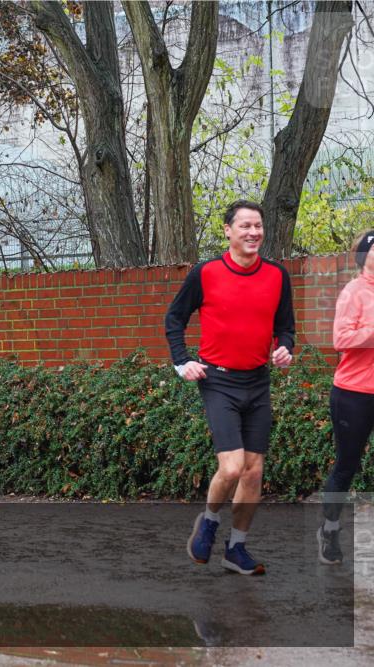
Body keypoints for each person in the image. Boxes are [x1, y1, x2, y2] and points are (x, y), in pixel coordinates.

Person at [165, 200, 295, 575]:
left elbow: (286, 326)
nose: (253, 233)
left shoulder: (276, 275)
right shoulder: (205, 273)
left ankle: (236, 549)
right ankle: (208, 521)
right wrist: (181, 361)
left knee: (254, 472)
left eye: (258, 226)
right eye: (245, 226)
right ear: (227, 230)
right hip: (218, 380)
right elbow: (175, 318)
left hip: (257, 381)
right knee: (234, 466)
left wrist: (285, 347)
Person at [318, 230, 374, 564]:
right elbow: (341, 338)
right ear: (364, 256)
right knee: (347, 466)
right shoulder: (354, 292)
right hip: (354, 394)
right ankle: (330, 528)